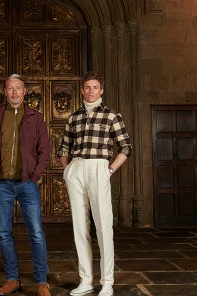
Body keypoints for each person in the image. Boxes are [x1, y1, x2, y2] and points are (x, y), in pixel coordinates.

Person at [58, 72, 132, 296]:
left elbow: (126, 148)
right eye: (87, 87)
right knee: (80, 228)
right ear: (82, 90)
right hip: (77, 169)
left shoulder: (111, 116)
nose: (91, 91)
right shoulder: (74, 117)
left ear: (102, 90)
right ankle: (86, 280)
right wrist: (68, 170)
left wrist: (109, 170)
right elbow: (63, 148)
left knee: (103, 228)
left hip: (100, 168)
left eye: (95, 87)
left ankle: (107, 281)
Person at [0, 74, 52, 296]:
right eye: (10, 88)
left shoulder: (35, 118)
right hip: (1, 184)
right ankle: (13, 279)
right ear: (5, 91)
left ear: (25, 91)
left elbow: (45, 151)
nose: (14, 92)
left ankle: (41, 282)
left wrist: (34, 176)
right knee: (3, 233)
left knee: (37, 233)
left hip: (26, 183)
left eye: (18, 88)